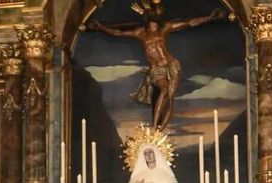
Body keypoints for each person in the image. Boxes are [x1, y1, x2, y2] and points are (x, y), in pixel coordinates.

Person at [86, 6, 228, 128]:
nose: (155, 27)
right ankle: (154, 127)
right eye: (152, 24)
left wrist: (210, 18)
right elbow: (118, 32)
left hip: (171, 64)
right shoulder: (140, 33)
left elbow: (189, 23)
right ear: (147, 22)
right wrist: (100, 27)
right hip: (156, 69)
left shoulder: (164, 28)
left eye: (156, 24)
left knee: (170, 97)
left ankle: (160, 131)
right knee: (164, 89)